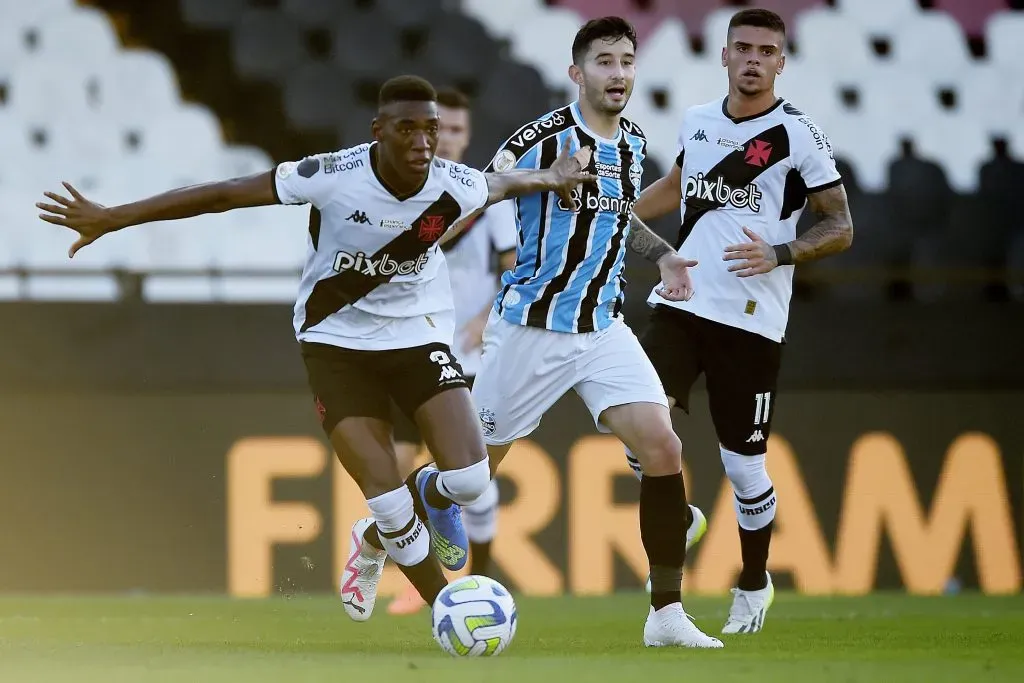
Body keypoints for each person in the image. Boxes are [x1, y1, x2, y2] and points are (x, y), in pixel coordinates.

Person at [36, 75, 595, 623]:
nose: (423, 143)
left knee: (472, 481)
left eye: (430, 130)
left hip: (417, 336)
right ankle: (443, 608)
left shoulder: (454, 183)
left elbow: (498, 185)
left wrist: (553, 175)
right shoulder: (330, 176)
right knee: (388, 498)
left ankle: (411, 505)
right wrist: (114, 218)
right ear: (378, 131)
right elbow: (224, 195)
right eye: (407, 131)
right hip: (336, 344)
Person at [460, 17, 722, 649]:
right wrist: (419, 249)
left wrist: (661, 253)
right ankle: (379, 533)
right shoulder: (542, 137)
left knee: (662, 447)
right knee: (468, 476)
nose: (620, 73)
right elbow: (476, 192)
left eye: (627, 61)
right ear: (577, 73)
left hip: (602, 327)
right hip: (531, 328)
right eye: (605, 62)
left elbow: (618, 220)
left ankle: (666, 616)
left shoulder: (632, 143)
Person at [625, 8, 854, 635]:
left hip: (751, 322)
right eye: (743, 48)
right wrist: (614, 214)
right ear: (724, 55)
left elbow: (841, 225)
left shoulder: (797, 135)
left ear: (782, 62)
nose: (753, 59)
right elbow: (677, 186)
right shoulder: (697, 122)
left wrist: (780, 253)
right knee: (637, 428)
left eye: (766, 51)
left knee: (744, 468)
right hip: (681, 303)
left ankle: (754, 581)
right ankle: (679, 516)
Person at [387, 87, 518, 616]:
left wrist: (487, 318)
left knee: (465, 476)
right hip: (405, 350)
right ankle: (420, 580)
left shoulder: (489, 205)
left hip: (467, 360)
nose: (449, 140)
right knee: (395, 473)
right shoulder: (397, 195)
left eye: (460, 131)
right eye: (443, 129)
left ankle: (479, 584)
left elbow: (516, 273)